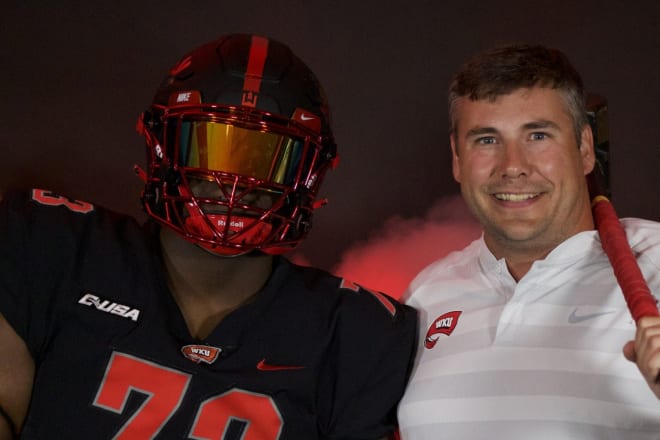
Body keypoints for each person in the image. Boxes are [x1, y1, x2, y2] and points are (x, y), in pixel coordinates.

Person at [0, 33, 417, 439]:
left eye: (264, 159)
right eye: (211, 146)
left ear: (307, 173)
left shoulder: (355, 332)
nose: (234, 182)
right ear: (163, 146)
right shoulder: (54, 243)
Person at [397, 44, 660, 438]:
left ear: (585, 148)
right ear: (456, 157)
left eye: (538, 135)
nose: (513, 166)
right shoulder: (424, 296)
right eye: (486, 140)